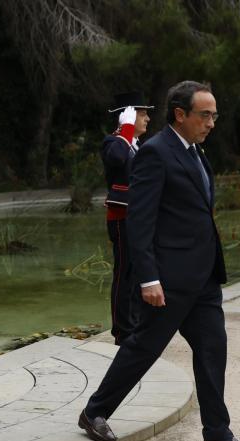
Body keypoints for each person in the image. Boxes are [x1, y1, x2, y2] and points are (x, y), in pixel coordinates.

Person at [78, 81, 240, 441]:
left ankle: (217, 435)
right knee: (143, 347)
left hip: (203, 277)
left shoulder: (196, 152)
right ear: (180, 114)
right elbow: (139, 221)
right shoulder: (155, 153)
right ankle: (94, 411)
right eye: (205, 115)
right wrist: (148, 277)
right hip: (170, 278)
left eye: (214, 115)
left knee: (213, 348)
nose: (212, 122)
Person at [102, 91, 154, 344]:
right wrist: (126, 128)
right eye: (142, 114)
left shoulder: (136, 145)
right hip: (121, 218)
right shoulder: (114, 142)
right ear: (129, 116)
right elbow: (117, 160)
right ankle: (122, 330)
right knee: (124, 274)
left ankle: (134, 322)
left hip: (138, 217)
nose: (147, 119)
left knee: (136, 273)